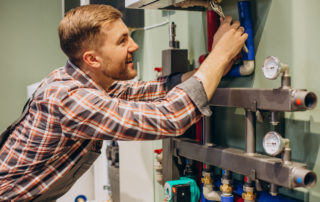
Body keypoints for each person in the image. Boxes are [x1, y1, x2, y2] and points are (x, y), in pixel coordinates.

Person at [0, 4, 247, 201]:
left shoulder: (81, 80)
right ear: (92, 59)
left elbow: (151, 90)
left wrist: (213, 67)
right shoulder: (70, 98)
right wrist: (220, 55)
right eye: (122, 41)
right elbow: (170, 118)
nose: (134, 45)